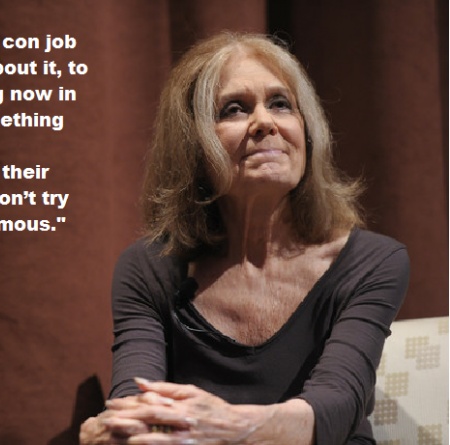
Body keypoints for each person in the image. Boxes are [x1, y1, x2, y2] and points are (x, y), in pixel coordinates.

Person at [80, 31, 409, 444]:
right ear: (192, 146)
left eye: (281, 104)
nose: (265, 123)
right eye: (234, 109)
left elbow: (336, 405)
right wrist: (117, 429)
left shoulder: (373, 262)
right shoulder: (149, 268)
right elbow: (136, 403)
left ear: (306, 130)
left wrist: (231, 427)